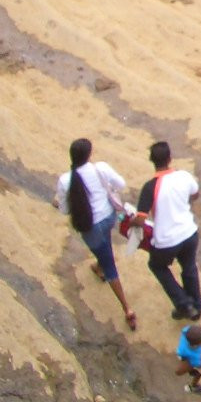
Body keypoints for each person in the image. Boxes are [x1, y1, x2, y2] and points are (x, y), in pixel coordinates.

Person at [54, 138, 138, 330]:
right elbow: (121, 184)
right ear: (89, 155)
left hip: (89, 227)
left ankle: (127, 309)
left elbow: (65, 210)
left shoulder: (65, 180)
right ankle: (99, 267)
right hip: (108, 217)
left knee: (108, 263)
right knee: (104, 247)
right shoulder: (100, 168)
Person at [133, 140, 201, 320]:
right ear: (170, 158)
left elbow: (140, 219)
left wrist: (131, 221)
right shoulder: (183, 176)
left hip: (167, 241)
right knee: (189, 268)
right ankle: (196, 306)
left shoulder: (150, 187)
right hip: (188, 233)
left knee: (157, 265)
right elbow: (195, 194)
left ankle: (183, 302)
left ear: (152, 161)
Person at [176, 323, 201, 393]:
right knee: (199, 372)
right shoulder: (195, 356)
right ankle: (193, 386)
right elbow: (200, 365)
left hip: (181, 352)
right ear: (198, 344)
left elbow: (187, 329)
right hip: (189, 359)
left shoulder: (186, 331)